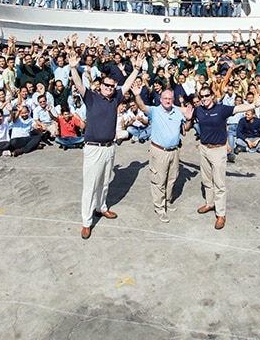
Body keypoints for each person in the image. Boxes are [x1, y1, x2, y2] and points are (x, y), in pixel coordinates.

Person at [68, 51, 144, 240]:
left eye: (112, 86)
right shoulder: (92, 98)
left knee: (104, 182)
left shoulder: (115, 98)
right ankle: (86, 222)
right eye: (106, 85)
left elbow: (126, 86)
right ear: (100, 85)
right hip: (93, 148)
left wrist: (136, 69)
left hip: (110, 147)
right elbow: (78, 84)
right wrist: (72, 68)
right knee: (90, 185)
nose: (110, 88)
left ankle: (101, 207)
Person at [190, 85, 260, 230]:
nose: (204, 99)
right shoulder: (198, 110)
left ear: (212, 96)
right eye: (202, 97)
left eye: (207, 96)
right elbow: (186, 114)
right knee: (206, 180)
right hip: (204, 148)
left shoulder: (221, 109)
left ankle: (221, 214)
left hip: (218, 150)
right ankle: (209, 203)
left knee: (219, 183)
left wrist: (255, 104)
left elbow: (238, 108)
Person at [131, 85, 193, 223]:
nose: (167, 100)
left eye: (170, 98)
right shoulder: (154, 111)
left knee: (172, 178)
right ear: (160, 99)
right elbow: (142, 107)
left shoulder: (177, 112)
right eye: (165, 98)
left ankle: (167, 201)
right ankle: (159, 207)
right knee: (159, 179)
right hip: (159, 151)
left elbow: (185, 130)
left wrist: (189, 119)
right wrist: (137, 95)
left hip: (174, 151)